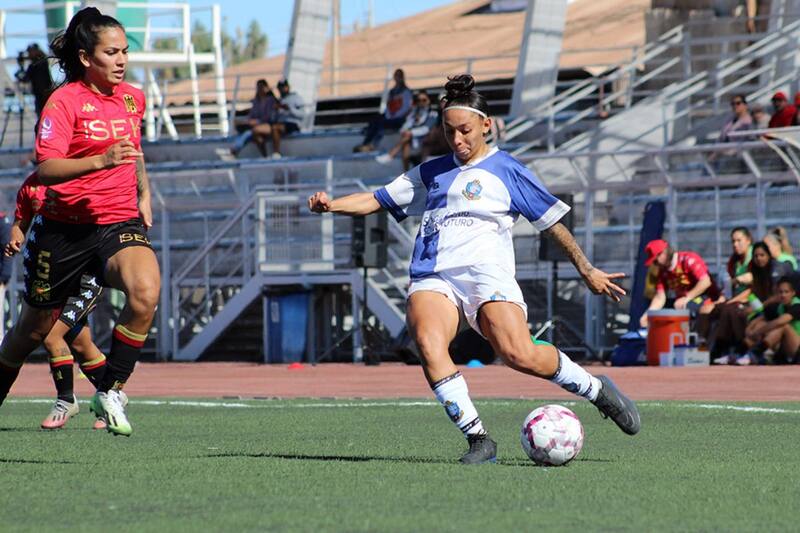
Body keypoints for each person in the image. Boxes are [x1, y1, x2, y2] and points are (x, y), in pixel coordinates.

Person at [309, 74, 640, 464]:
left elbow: (552, 224)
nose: (458, 140)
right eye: (450, 132)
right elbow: (376, 199)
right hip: (435, 275)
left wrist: (586, 269)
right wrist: (332, 206)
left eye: (465, 130)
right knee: (429, 345)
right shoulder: (431, 173)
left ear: (486, 124)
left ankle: (595, 390)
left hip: (487, 274)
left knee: (519, 354)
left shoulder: (508, 170)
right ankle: (479, 439)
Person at [0, 7, 160, 437]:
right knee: (31, 332)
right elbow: (46, 168)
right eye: (112, 52)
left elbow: (134, 151)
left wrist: (143, 194)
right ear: (87, 58)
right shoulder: (64, 101)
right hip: (64, 231)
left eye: (126, 51)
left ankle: (109, 391)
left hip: (117, 220)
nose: (122, 60)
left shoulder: (133, 97)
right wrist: (100, 160)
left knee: (145, 291)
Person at [5, 173, 113, 429]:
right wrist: (15, 237)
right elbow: (20, 223)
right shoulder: (32, 187)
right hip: (53, 278)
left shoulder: (85, 182)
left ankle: (66, 400)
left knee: (53, 336)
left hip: (86, 277)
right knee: (81, 343)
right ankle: (111, 396)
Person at [639, 239, 721, 329]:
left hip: (707, 298)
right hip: (683, 302)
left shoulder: (688, 259)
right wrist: (649, 314)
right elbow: (660, 297)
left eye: (656, 260)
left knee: (683, 306)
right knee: (665, 312)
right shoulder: (663, 272)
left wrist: (687, 297)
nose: (656, 264)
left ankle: (696, 339)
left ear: (665, 252)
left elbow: (705, 282)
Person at [697, 227, 752, 354]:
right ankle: (701, 349)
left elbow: (752, 289)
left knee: (729, 310)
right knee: (705, 309)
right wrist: (719, 301)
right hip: (733, 299)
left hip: (749, 300)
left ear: (748, 240)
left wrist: (730, 301)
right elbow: (727, 288)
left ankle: (724, 348)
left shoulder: (754, 258)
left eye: (739, 240)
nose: (735, 245)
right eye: (733, 241)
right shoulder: (734, 261)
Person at [741, 277, 800, 364]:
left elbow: (780, 322)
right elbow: (762, 318)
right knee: (763, 324)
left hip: (797, 348)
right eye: (780, 292)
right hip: (785, 346)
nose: (783, 295)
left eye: (786, 292)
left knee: (783, 326)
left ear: (793, 293)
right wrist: (749, 330)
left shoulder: (797, 306)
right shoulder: (780, 307)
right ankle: (740, 351)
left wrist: (758, 332)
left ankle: (756, 352)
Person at [376, 90, 438, 170]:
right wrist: (405, 130)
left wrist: (411, 132)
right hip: (411, 140)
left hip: (425, 140)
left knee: (407, 138)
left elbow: (426, 129)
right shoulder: (414, 112)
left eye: (424, 100)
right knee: (406, 143)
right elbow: (406, 125)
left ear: (429, 100)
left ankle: (391, 155)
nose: (421, 102)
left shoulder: (433, 113)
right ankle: (406, 171)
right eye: (419, 100)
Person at [353, 68, 413, 153]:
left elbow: (406, 108)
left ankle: (373, 145)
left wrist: (393, 116)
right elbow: (388, 106)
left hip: (400, 119)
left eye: (399, 76)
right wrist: (389, 115)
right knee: (375, 119)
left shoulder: (407, 92)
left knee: (381, 124)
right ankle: (366, 143)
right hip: (391, 116)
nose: (398, 78)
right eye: (396, 75)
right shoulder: (392, 92)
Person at [232, 79, 278, 157]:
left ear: (266, 88)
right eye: (258, 87)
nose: (259, 89)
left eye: (261, 87)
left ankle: (234, 149)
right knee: (245, 130)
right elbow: (252, 114)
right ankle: (265, 157)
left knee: (249, 132)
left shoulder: (271, 100)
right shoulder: (256, 101)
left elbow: (269, 117)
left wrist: (256, 121)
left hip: (267, 124)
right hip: (256, 124)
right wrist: (248, 121)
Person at [15, 43, 54, 119]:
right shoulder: (39, 63)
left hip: (44, 96)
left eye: (30, 52)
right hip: (42, 96)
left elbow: (24, 78)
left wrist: (21, 67)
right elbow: (25, 78)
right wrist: (21, 66)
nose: (29, 54)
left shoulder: (38, 64)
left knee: (45, 118)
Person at [270, 79, 305, 159]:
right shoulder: (279, 100)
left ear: (288, 87)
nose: (282, 89)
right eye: (280, 88)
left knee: (275, 128)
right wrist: (275, 110)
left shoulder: (296, 98)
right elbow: (274, 118)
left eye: (284, 87)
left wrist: (289, 109)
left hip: (293, 123)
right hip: (281, 123)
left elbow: (302, 115)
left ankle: (276, 153)